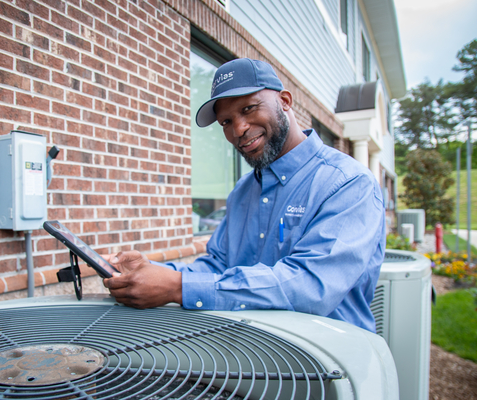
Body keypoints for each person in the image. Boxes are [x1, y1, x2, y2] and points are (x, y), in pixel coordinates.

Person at [103, 58, 385, 332]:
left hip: (332, 363)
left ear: (285, 102)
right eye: (226, 122)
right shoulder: (243, 191)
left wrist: (177, 286)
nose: (238, 129)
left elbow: (310, 287)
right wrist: (147, 271)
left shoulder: (348, 183)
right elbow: (217, 266)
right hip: (250, 355)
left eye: (249, 108)